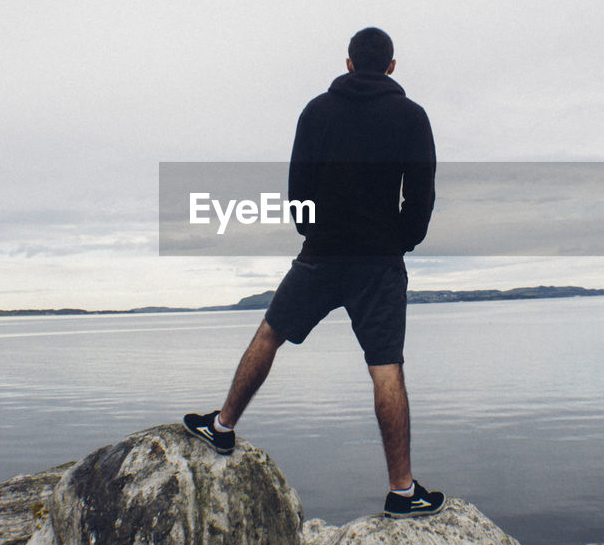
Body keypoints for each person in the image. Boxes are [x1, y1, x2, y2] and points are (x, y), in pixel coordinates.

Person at [184, 27, 444, 518]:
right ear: (391, 67)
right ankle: (402, 491)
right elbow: (422, 193)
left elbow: (297, 185)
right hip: (379, 264)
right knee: (386, 367)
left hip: (321, 255)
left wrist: (315, 232)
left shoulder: (317, 111)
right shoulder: (411, 117)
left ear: (348, 63)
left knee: (269, 335)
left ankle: (221, 427)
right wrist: (401, 240)